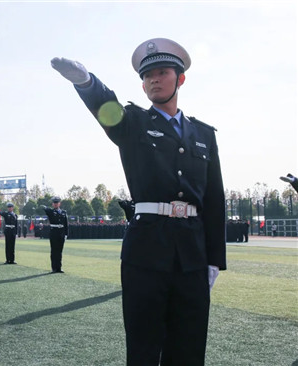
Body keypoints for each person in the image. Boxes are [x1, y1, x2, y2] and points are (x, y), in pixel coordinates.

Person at [52, 37, 226, 365]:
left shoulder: (204, 135)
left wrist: (215, 259)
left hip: (192, 255)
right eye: (147, 76)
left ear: (181, 79)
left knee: (189, 348)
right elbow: (109, 110)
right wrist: (87, 83)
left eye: (161, 72)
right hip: (146, 252)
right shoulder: (134, 123)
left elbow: (215, 201)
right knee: (144, 347)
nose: (153, 80)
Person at [41, 197, 68, 273]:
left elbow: (66, 224)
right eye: (54, 203)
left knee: (59, 251)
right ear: (52, 204)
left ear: (59, 203)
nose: (55, 204)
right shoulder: (50, 211)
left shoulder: (63, 212)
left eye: (57, 203)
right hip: (54, 232)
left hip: (61, 232)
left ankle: (59, 267)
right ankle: (54, 268)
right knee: (54, 251)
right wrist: (44, 207)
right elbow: (45, 209)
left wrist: (66, 234)